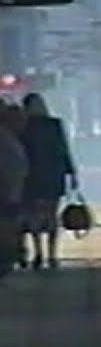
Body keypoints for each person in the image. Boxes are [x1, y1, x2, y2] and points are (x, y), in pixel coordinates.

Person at [19, 93, 76, 269]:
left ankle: (38, 253)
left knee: (34, 216)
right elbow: (63, 149)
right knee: (51, 216)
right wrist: (71, 173)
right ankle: (52, 255)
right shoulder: (55, 125)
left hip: (31, 177)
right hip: (53, 176)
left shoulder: (24, 127)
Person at [0, 102, 28, 276]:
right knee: (9, 223)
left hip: (11, 192)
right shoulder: (7, 140)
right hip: (8, 193)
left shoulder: (9, 139)